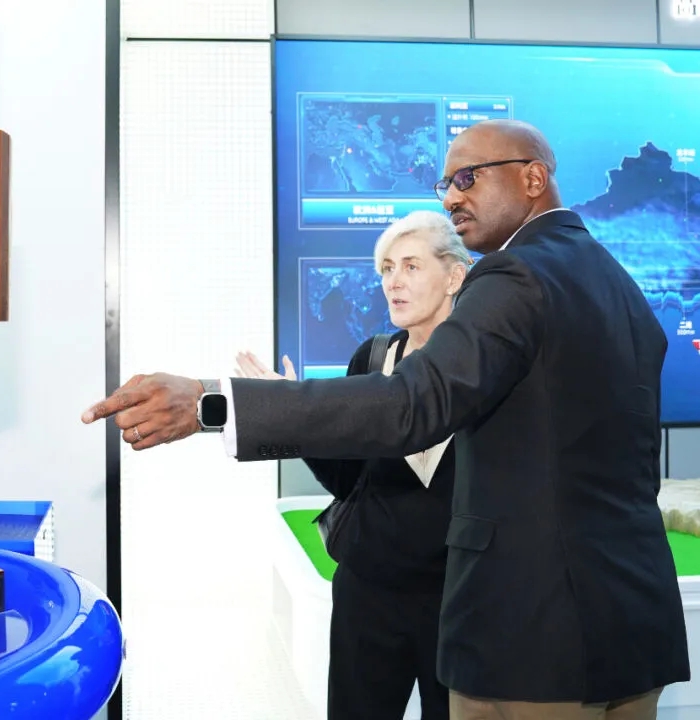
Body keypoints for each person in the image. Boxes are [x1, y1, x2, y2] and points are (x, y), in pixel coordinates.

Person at [82, 119, 690, 719]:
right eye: (446, 184)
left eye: (468, 178)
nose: (451, 198)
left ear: (533, 179)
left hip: (539, 642)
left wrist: (210, 401)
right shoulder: (617, 284)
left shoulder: (517, 274)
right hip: (631, 627)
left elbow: (408, 405)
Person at [235, 210, 470, 720]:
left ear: (455, 276)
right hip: (368, 594)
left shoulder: (484, 370)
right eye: (387, 269)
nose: (393, 282)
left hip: (458, 601)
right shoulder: (371, 358)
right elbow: (347, 480)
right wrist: (294, 417)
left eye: (411, 266)